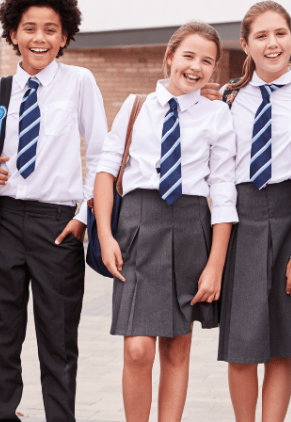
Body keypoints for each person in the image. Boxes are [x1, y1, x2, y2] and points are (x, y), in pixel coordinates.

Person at [0, 0, 108, 421]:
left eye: (50, 29)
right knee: (0, 335)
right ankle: (2, 415)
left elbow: (103, 153)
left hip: (59, 225)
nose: (39, 38)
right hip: (3, 222)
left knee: (58, 337)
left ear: (65, 35)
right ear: (13, 33)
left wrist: (83, 215)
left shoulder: (79, 82)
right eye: (29, 28)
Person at [94, 21, 237, 422]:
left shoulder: (217, 116)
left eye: (207, 61)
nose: (196, 67)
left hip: (192, 229)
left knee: (177, 347)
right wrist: (105, 235)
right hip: (138, 229)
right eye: (188, 56)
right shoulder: (135, 106)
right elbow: (105, 172)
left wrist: (216, 265)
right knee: (138, 348)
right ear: (170, 57)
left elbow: (224, 192)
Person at [216, 0, 291, 422]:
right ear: (245, 45)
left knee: (282, 343)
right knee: (242, 345)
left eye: (280, 33)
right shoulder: (227, 98)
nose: (272, 43)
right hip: (241, 219)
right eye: (261, 36)